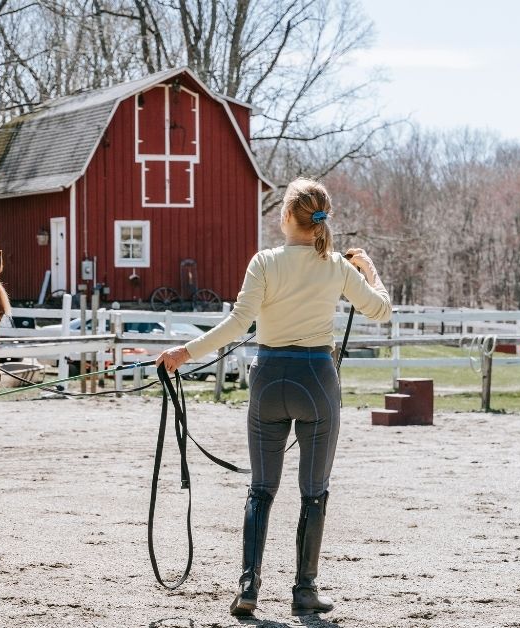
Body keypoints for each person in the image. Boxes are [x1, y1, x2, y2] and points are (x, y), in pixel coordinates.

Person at [156, 178, 391, 617]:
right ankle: (304, 590)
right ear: (320, 220)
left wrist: (184, 353)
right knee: (314, 491)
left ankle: (249, 586)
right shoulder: (338, 266)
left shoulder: (264, 262)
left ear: (286, 217)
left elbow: (235, 325)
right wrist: (369, 271)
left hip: (269, 381)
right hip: (318, 380)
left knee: (261, 489)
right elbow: (381, 309)